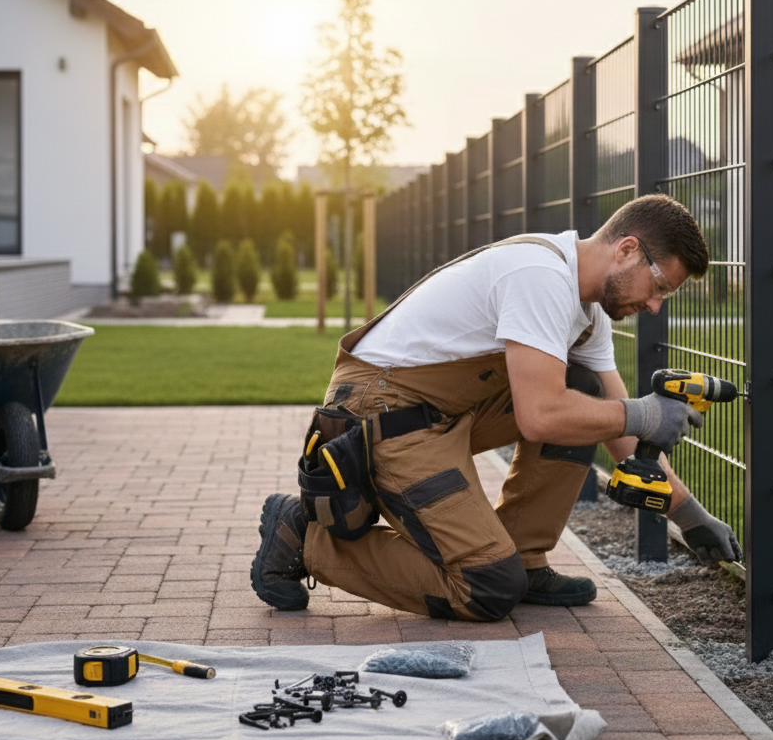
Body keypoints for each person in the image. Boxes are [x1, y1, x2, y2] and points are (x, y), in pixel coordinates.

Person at [250, 193, 742, 620]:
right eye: (659, 287)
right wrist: (646, 412)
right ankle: (303, 538)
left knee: (585, 389)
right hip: (379, 411)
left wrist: (690, 515)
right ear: (627, 249)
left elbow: (616, 424)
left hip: (439, 410)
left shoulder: (588, 312)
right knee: (485, 587)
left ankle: (525, 559)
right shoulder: (540, 275)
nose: (656, 305)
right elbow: (543, 416)